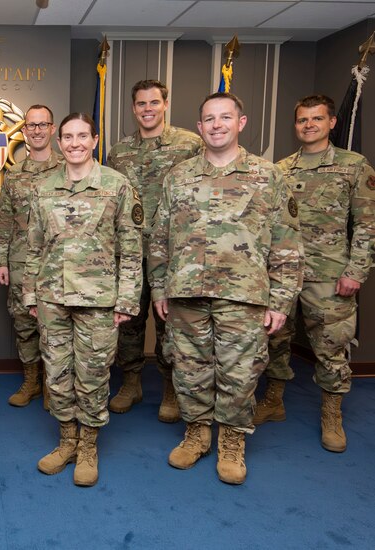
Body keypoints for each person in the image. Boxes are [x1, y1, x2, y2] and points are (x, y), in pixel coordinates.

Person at [149, 92, 302, 485]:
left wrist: (281, 299)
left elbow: (287, 242)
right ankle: (197, 433)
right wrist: (159, 289)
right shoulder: (178, 177)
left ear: (241, 122)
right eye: (209, 119)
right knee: (189, 370)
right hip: (186, 292)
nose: (217, 125)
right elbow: (159, 238)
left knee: (239, 373)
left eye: (225, 117)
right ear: (199, 127)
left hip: (244, 295)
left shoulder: (269, 176)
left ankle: (232, 441)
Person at [23, 113, 143, 487]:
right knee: (57, 376)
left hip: (98, 301)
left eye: (82, 136)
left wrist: (126, 300)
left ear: (95, 140)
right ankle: (67, 441)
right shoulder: (43, 188)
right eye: (68, 137)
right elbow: (33, 247)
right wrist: (30, 293)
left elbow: (131, 249)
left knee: (92, 377)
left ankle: (89, 446)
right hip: (53, 299)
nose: (74, 143)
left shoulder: (116, 185)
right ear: (59, 143)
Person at [256, 95, 374, 453]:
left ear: (332, 122)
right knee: (275, 340)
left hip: (329, 273)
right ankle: (274, 400)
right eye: (303, 119)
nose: (309, 125)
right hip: (280, 274)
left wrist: (356, 271)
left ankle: (331, 412)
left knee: (331, 346)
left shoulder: (353, 166)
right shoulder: (279, 169)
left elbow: (367, 224)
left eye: (317, 119)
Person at [106, 80, 203, 421]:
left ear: (165, 104)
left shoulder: (190, 145)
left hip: (173, 254)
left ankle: (170, 389)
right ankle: (131, 384)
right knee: (129, 322)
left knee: (169, 324)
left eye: (153, 102)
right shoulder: (118, 152)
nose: (147, 108)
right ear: (133, 108)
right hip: (129, 252)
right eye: (141, 103)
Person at [0, 104, 63, 408]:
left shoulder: (68, 167)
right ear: (24, 132)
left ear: (52, 129)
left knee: (56, 326)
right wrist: (1, 261)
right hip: (22, 262)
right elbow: (5, 221)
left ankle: (53, 386)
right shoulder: (14, 175)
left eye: (42, 124)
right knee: (24, 324)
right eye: (31, 125)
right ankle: (32, 381)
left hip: (59, 263)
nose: (36, 130)